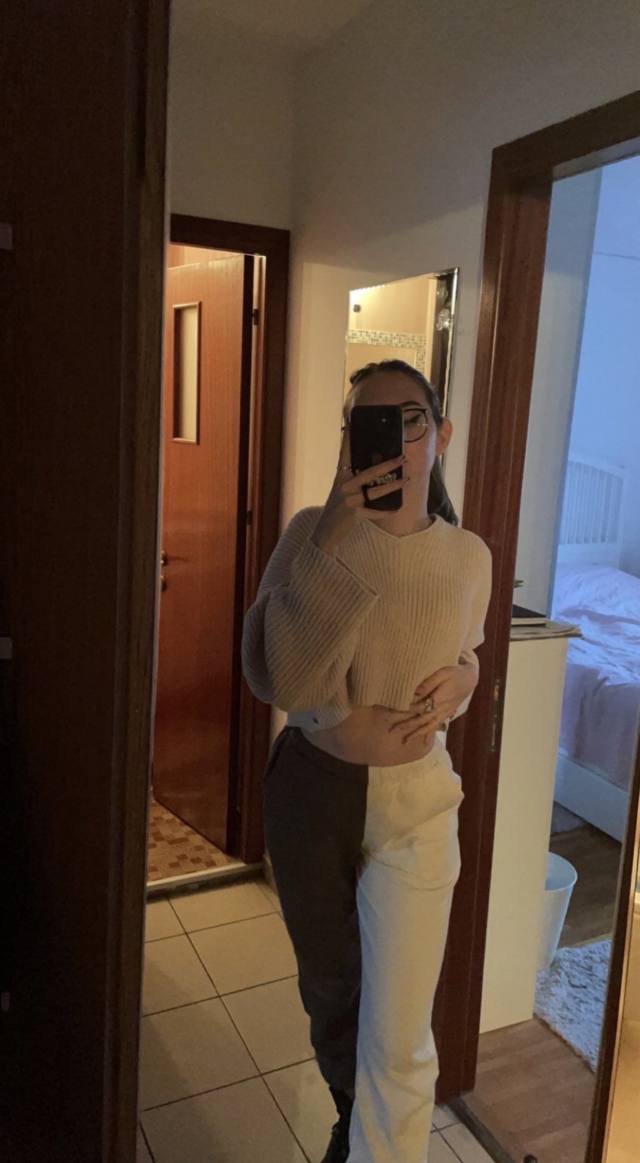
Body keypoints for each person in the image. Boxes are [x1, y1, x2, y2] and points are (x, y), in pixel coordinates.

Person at [241, 359, 492, 1163]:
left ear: (440, 434)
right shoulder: (311, 533)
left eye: (409, 419)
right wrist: (331, 536)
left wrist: (468, 677)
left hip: (417, 800)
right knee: (332, 996)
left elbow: (462, 647)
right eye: (369, 423)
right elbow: (280, 677)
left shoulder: (469, 556)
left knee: (402, 1035)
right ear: (349, 438)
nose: (393, 439)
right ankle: (353, 1125)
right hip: (313, 789)